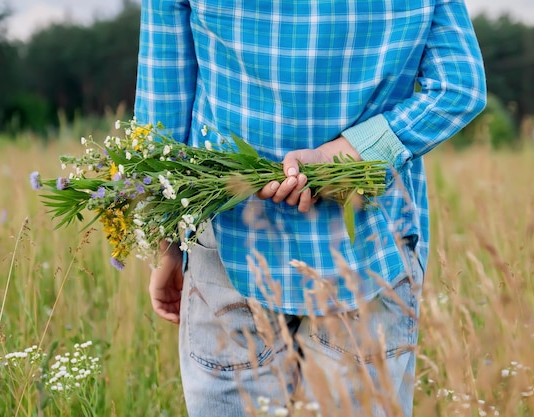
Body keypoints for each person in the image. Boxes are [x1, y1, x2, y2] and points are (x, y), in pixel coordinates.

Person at [134, 1, 486, 416]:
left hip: (229, 244)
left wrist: (166, 246)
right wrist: (352, 152)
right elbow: (460, 88)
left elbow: (162, 115)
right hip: (371, 253)